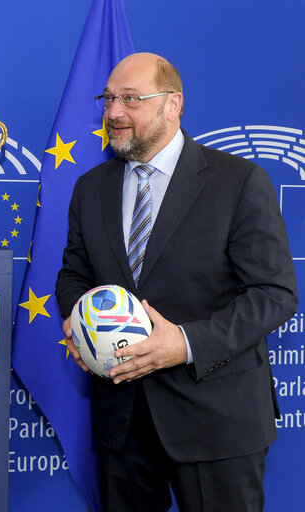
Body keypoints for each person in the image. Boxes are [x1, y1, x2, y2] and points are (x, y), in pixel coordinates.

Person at [55, 52, 298, 512]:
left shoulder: (239, 182)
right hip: (122, 423)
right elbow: (74, 273)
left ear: (173, 105)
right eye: (108, 99)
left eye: (130, 99)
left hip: (216, 421)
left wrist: (183, 343)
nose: (112, 113)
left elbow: (275, 294)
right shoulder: (91, 187)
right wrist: (79, 323)